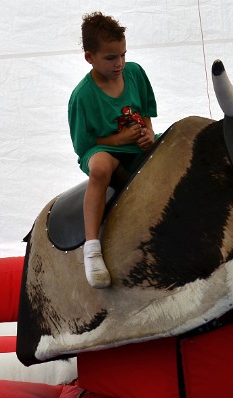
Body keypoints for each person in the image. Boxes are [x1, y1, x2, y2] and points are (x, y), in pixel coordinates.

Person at [68, 12, 157, 288]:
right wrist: (121, 139)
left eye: (123, 55)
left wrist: (148, 135)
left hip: (134, 148)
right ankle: (92, 248)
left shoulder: (135, 73)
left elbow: (146, 114)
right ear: (89, 57)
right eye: (110, 58)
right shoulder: (82, 96)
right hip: (103, 151)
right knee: (100, 168)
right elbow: (84, 147)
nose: (119, 63)